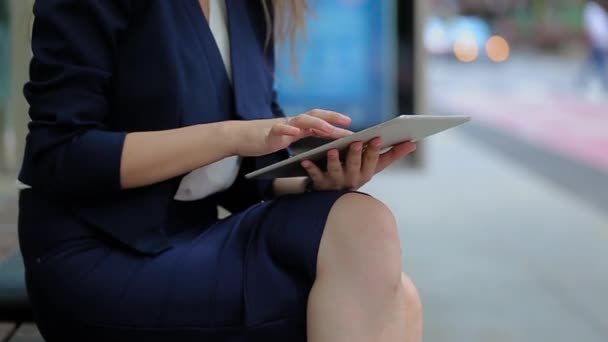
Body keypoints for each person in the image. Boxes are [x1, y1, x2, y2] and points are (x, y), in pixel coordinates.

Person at [17, 0, 422, 341]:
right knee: (375, 280)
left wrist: (318, 180)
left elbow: (246, 178)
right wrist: (230, 135)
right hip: (97, 253)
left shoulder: (248, 7)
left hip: (196, 235)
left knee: (387, 269)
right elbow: (60, 155)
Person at [581, 0, 608, 91]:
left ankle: (581, 80)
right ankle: (604, 83)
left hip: (601, 40)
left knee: (593, 62)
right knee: (599, 63)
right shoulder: (592, 10)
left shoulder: (597, 10)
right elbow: (592, 27)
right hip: (598, 40)